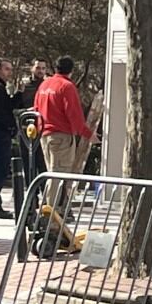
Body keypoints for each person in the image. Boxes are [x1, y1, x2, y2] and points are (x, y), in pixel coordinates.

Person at [34, 55, 97, 205]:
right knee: (58, 176)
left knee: (52, 173)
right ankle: (51, 215)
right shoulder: (67, 87)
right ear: (71, 71)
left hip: (44, 135)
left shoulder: (44, 85)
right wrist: (88, 134)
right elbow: (74, 114)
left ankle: (51, 213)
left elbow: (36, 109)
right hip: (61, 136)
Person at [0, 58, 27, 220]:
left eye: (10, 69)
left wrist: (19, 94)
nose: (9, 72)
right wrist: (10, 126)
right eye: (7, 69)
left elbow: (8, 106)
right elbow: (0, 112)